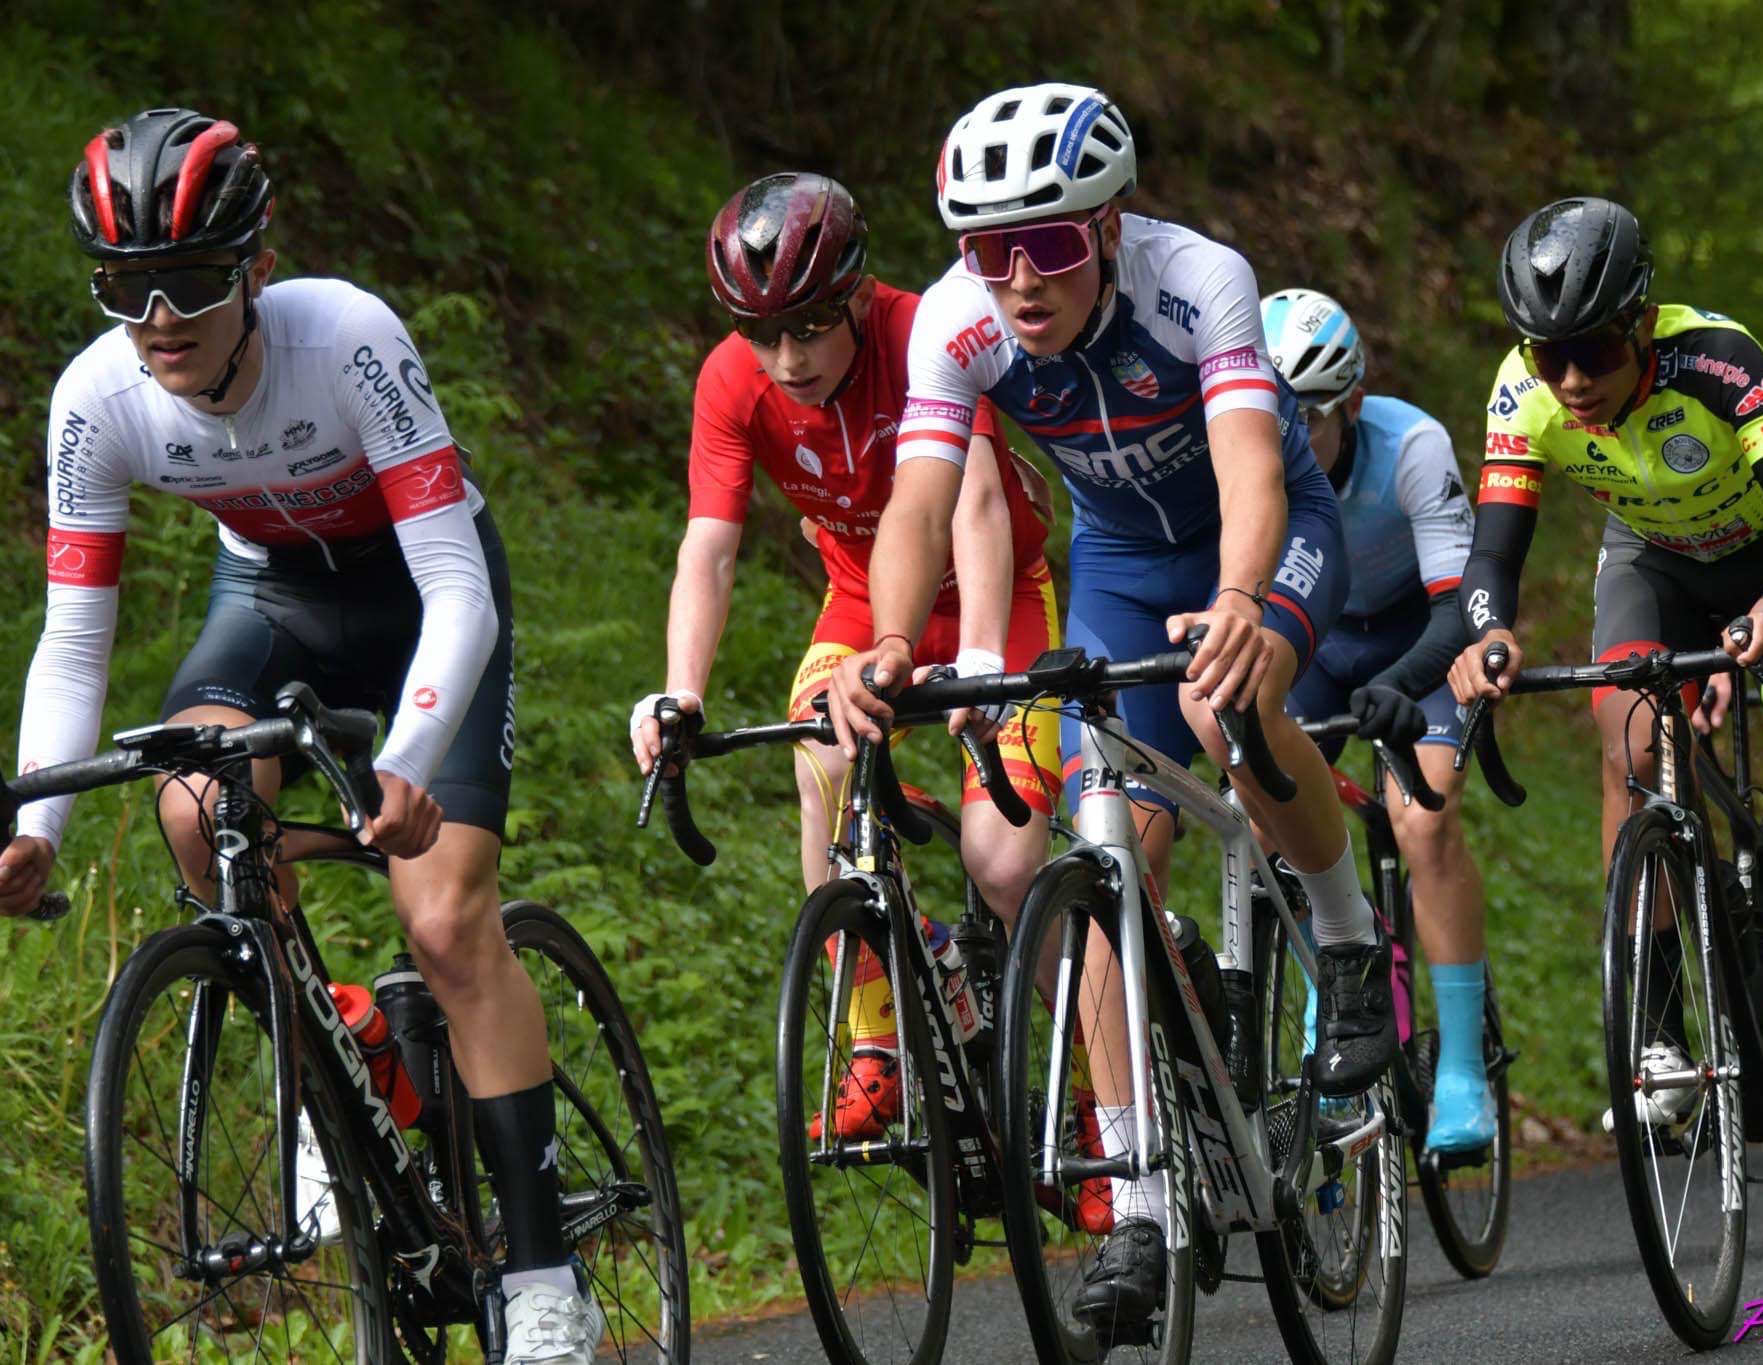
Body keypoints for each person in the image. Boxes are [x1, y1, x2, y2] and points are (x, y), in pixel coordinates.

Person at [1, 110, 600, 1359]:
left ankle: (542, 1271)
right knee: (195, 807)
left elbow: (459, 589)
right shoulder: (96, 399)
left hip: (422, 599)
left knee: (442, 919)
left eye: (193, 282)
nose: (159, 318)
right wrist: (35, 827)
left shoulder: (347, 338)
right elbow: (73, 642)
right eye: (125, 287)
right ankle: (340, 1060)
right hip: (270, 605)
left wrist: (409, 763)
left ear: (257, 267)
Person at [822, 82, 1386, 1325]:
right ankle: (1137, 1205)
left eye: (1051, 244)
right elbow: (917, 503)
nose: (1019, 279)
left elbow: (1248, 459)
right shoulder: (958, 329)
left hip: (1266, 536)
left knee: (1238, 709)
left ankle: (1345, 940)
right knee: (1102, 866)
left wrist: (1243, 594)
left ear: (1114, 227)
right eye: (987, 249)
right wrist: (894, 642)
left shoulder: (1198, 282)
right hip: (1124, 569)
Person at [1447, 198, 1763, 1130]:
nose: (1571, 380)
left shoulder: (1720, 359)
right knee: (1631, 754)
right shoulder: (1521, 389)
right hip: (1654, 563)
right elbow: (1492, 557)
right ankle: (1658, 1031)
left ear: (1642, 323)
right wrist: (1489, 633)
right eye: (1547, 354)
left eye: (1594, 352)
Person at [626, 171, 1063, 1148]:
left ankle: (1083, 1085)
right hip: (869, 609)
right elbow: (710, 547)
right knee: (818, 754)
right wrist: (679, 691)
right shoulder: (731, 384)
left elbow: (980, 507)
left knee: (1002, 863)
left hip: (995, 599)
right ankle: (883, 1041)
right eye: (759, 330)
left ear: (861, 295)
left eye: (810, 326)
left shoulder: (927, 335)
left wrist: (987, 663)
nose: (786, 358)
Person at [1260, 287, 1493, 1152]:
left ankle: (1464, 1068)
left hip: (1415, 638)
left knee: (1423, 819)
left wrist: (1404, 679)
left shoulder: (1412, 446)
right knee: (1276, 816)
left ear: (1352, 404)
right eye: (1274, 420)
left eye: (1307, 422)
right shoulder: (1242, 453)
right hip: (1314, 643)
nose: (1287, 444)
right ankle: (1352, 948)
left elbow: (1459, 603)